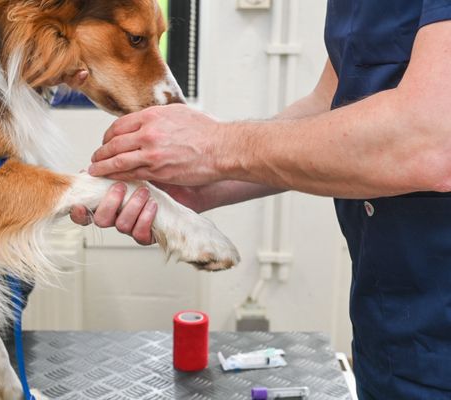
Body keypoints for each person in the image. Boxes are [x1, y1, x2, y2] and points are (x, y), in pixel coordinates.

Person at [71, 1, 451, 399]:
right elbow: (331, 104)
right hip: (389, 332)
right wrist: (207, 183)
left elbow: (431, 142)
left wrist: (215, 147)